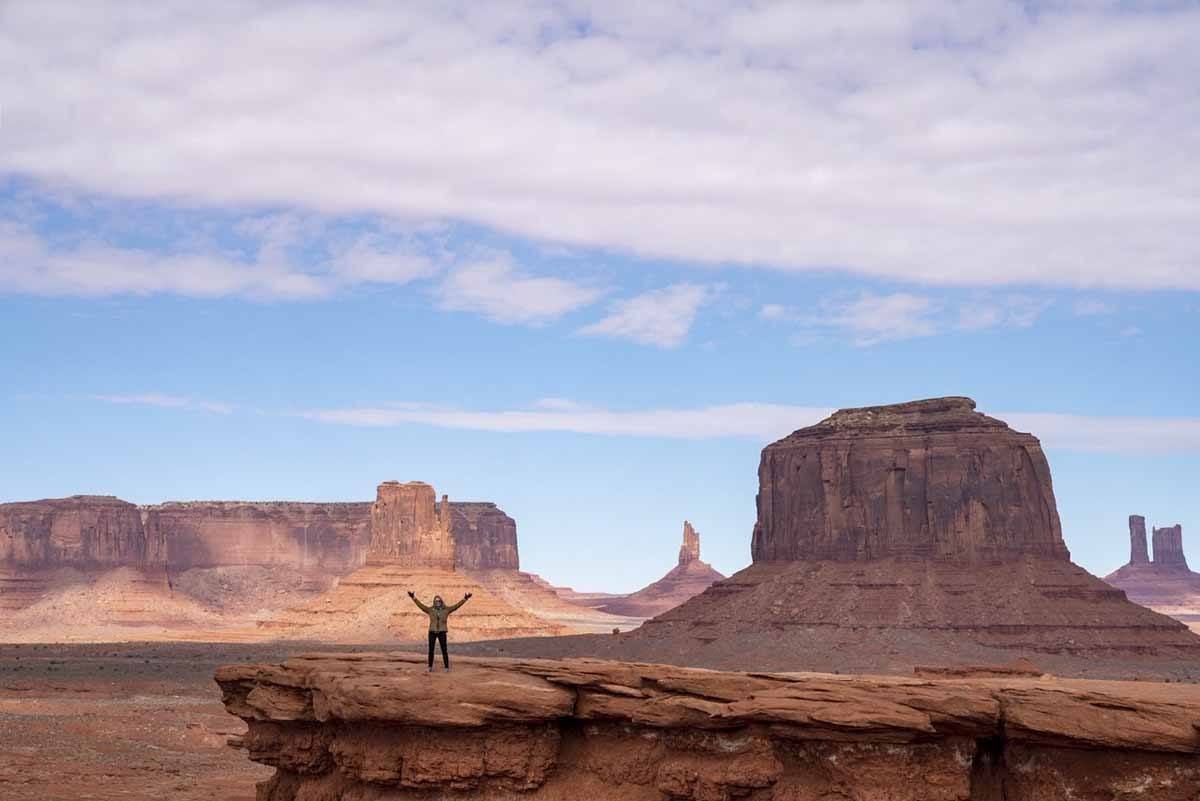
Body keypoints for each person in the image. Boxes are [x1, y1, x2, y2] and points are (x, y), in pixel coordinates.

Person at [408, 590, 471, 671]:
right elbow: (421, 606)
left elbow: (456, 606)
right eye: (436, 601)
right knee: (431, 650)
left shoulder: (446, 610)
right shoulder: (430, 610)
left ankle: (446, 667)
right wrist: (413, 598)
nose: (437, 602)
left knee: (444, 650)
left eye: (439, 601)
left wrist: (465, 599)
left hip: (442, 632)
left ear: (441, 601)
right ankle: (430, 667)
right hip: (432, 632)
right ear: (434, 601)